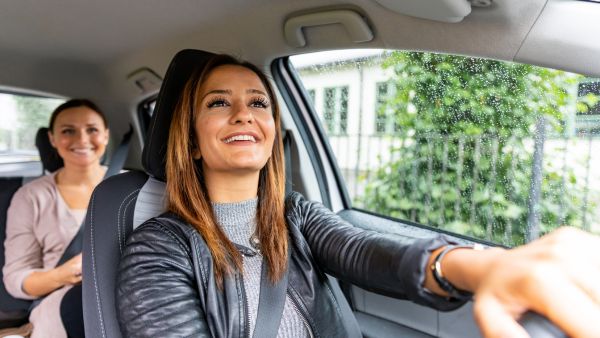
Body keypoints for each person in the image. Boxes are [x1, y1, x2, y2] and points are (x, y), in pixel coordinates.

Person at [116, 54, 600, 338]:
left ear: (271, 130)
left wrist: (483, 265)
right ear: (191, 140)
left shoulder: (295, 215)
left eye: (258, 102)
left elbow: (365, 251)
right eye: (219, 102)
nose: (244, 114)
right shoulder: (156, 249)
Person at [3, 99, 110, 338]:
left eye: (91, 129)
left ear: (105, 135)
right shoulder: (31, 196)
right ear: (52, 139)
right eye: (68, 131)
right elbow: (15, 278)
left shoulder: (132, 186)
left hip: (128, 291)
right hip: (61, 303)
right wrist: (62, 274)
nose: (82, 140)